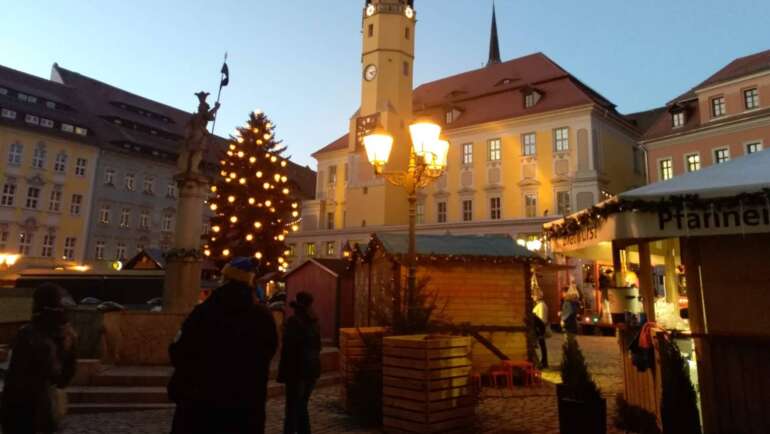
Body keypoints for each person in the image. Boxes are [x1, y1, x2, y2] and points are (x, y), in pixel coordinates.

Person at [168, 257, 278, 434]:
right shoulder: (262, 317)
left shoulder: (203, 312)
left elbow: (179, 352)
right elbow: (268, 351)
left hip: (201, 406)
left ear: (225, 280)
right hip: (246, 407)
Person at [1, 283, 78, 434]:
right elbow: (60, 376)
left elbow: (62, 379)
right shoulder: (36, 338)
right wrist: (68, 348)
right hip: (30, 411)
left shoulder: (31, 334)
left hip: (33, 411)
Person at [278, 291, 322, 434]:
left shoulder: (294, 322)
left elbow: (289, 349)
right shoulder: (314, 322)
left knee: (292, 408)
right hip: (312, 369)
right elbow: (318, 346)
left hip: (297, 370)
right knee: (302, 406)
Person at [532, 293, 550, 369]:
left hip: (539, 329)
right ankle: (543, 361)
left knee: (542, 346)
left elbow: (541, 318)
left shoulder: (541, 305)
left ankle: (543, 362)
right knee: (542, 346)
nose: (533, 297)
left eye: (534, 296)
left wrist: (539, 329)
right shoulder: (540, 305)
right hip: (539, 328)